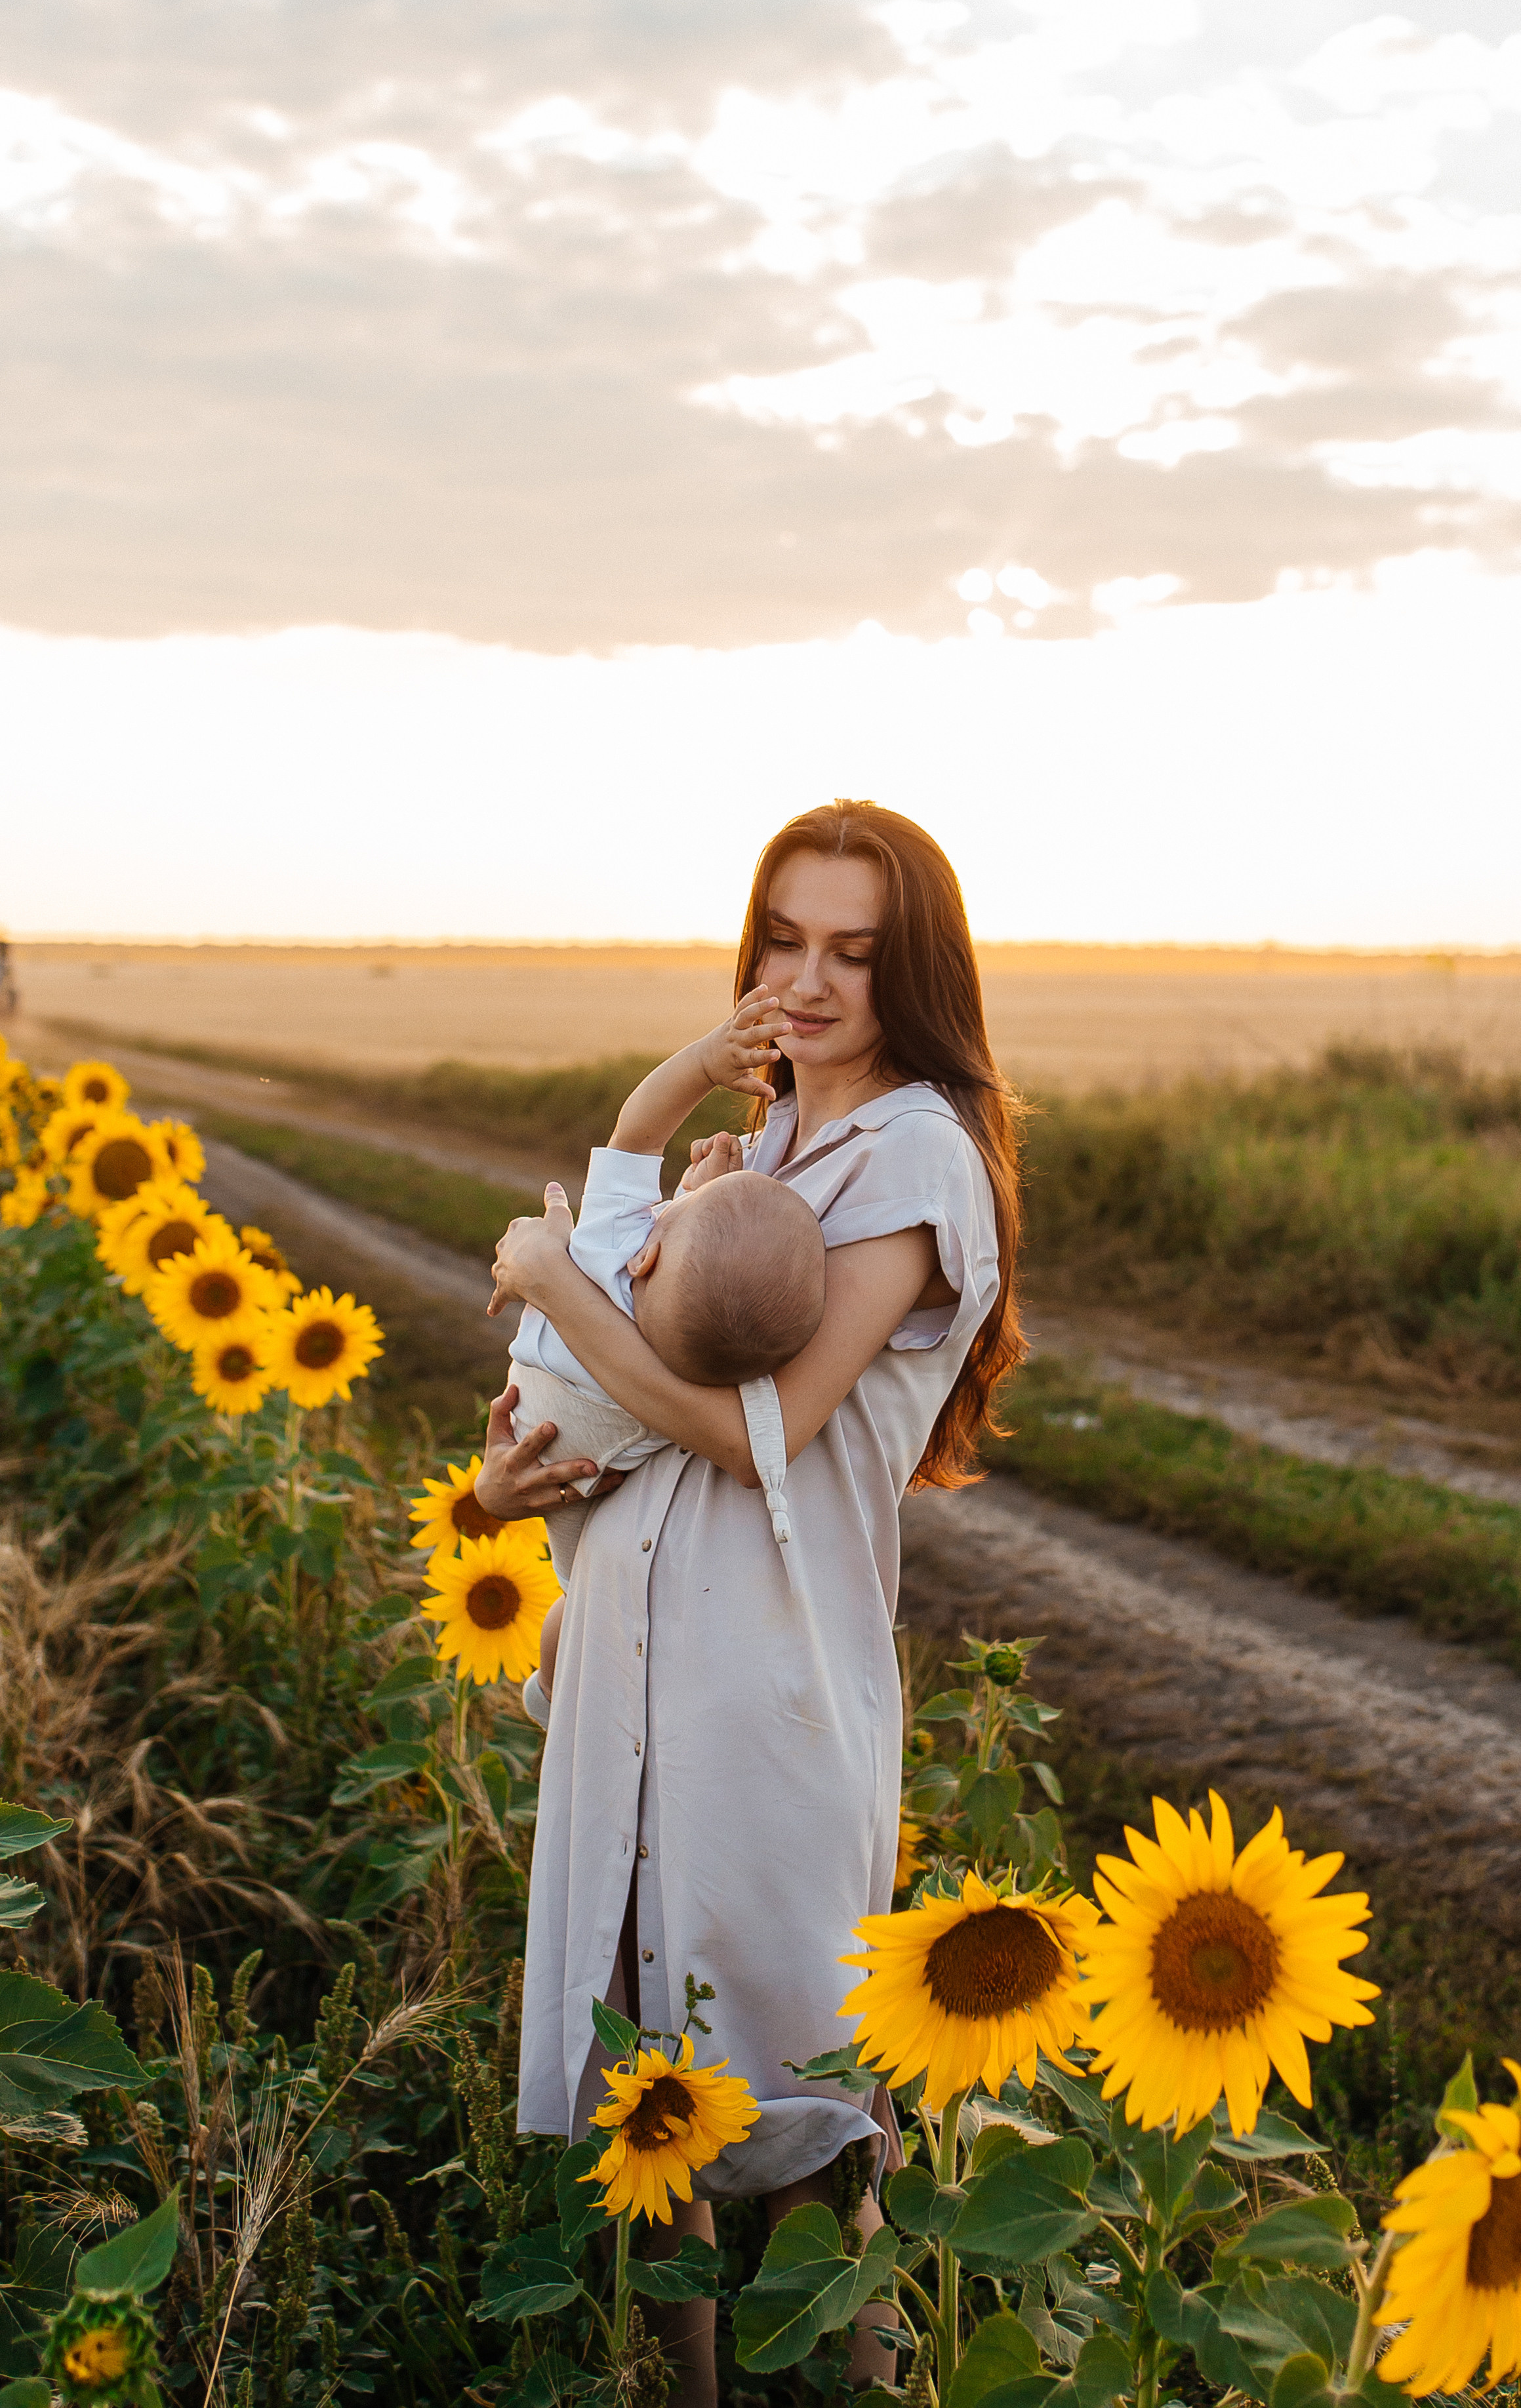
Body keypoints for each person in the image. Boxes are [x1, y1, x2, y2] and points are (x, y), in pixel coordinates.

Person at [477, 799, 1025, 2402]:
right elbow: (606, 1407)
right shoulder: (769, 1143)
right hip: (636, 1661)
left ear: (913, 971)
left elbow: (750, 1430)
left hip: (767, 1692)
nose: (807, 978)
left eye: (853, 950)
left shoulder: (916, 1153)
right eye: (784, 937)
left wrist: (555, 1275)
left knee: (802, 2148)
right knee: (656, 2122)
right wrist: (508, 1487)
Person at [501, 990, 827, 1594]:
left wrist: (706, 1063)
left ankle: (550, 1684)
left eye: (674, 1209)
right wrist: (713, 1202)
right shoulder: (699, 1370)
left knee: (570, 1613)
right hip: (583, 1454)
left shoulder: (611, 1252)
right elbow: (726, 1273)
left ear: (646, 1255)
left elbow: (638, 1131)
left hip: (535, 1433)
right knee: (572, 1605)